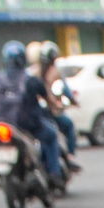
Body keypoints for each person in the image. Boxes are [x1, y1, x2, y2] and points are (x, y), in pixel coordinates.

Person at [0, 40, 63, 184]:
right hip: (29, 124)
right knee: (51, 135)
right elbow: (47, 98)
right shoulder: (30, 79)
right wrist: (56, 106)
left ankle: (0, 176)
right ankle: (54, 174)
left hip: (3, 123)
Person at [36, 42, 79, 170]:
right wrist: (74, 101)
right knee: (69, 126)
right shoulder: (55, 73)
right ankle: (69, 156)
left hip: (37, 113)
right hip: (51, 111)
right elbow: (66, 90)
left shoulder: (35, 72)